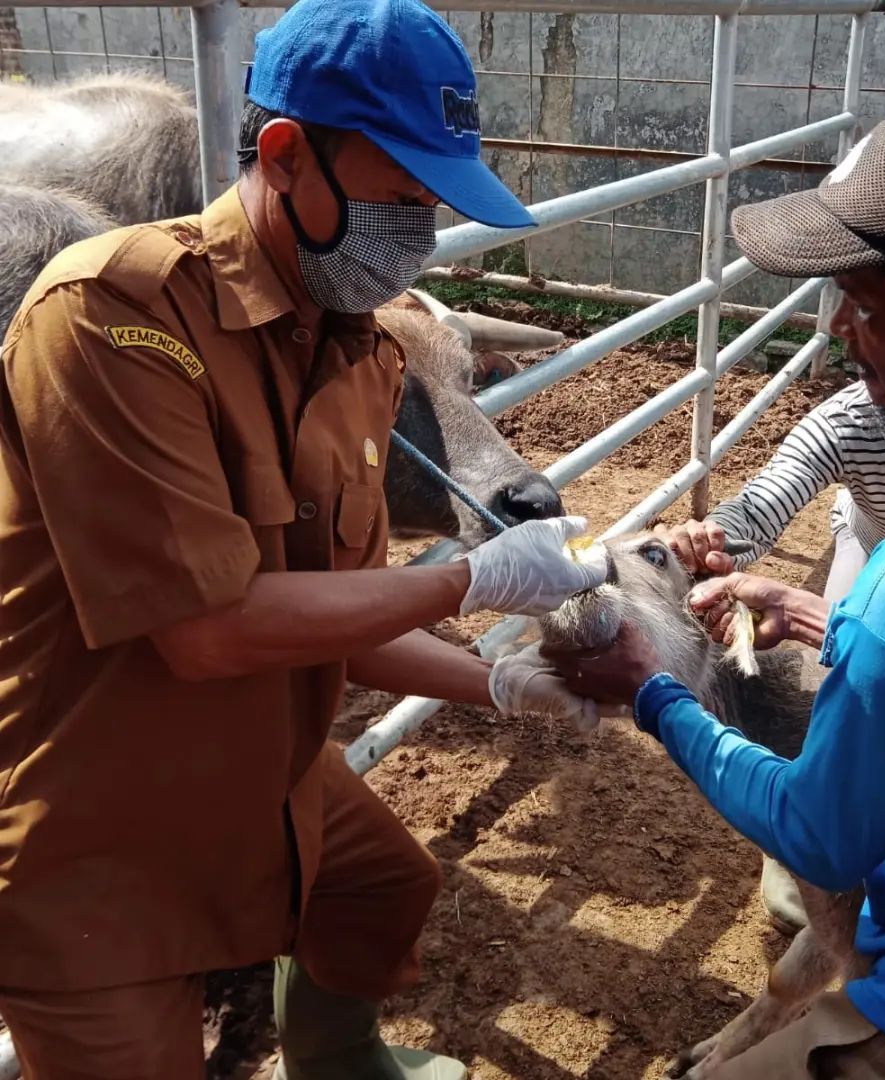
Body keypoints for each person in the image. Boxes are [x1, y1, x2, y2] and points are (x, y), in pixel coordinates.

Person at [0, 2, 604, 1078]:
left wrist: (506, 686)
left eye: (434, 204)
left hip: (251, 748)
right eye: (402, 197)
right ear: (284, 155)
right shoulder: (110, 316)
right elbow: (209, 631)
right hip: (93, 808)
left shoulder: (361, 353)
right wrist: (471, 580)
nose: (419, 233)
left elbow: (339, 620)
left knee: (384, 886)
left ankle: (336, 1064)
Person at [552, 89, 885, 1079]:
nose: (839, 329)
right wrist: (787, 593)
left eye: (870, 306)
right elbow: (776, 507)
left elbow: (821, 832)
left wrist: (655, 695)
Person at [659, 383, 885, 934]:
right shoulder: (854, 416)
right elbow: (763, 503)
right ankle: (802, 829)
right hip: (877, 543)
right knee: (838, 680)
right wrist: (708, 541)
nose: (854, 340)